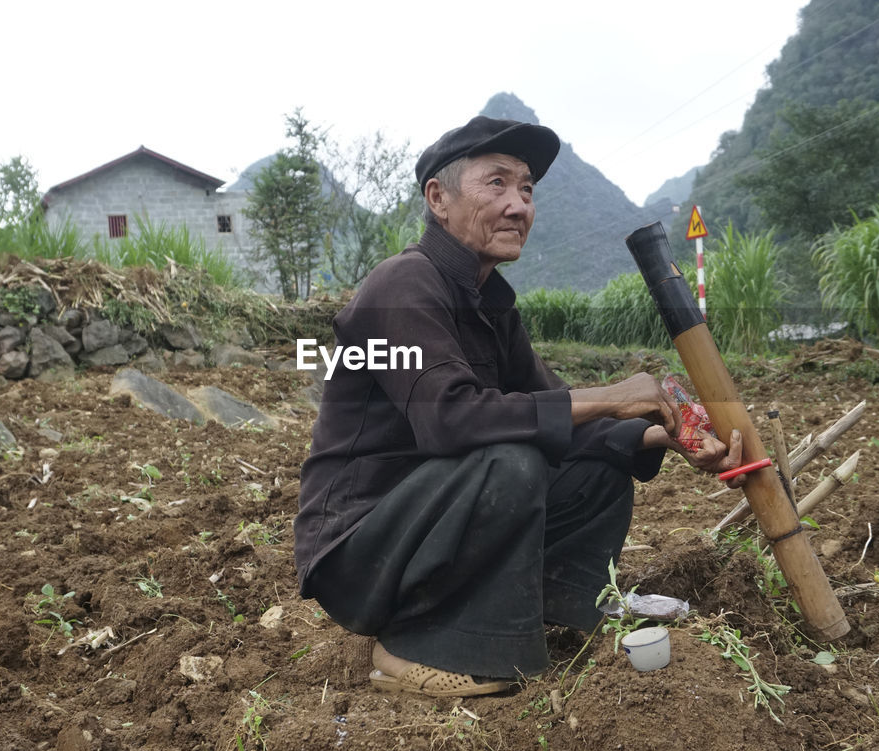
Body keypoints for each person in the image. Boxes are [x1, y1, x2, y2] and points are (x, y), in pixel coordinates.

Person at [293, 115, 744, 698]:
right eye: (496, 184)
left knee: (595, 470)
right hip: (361, 552)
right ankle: (412, 648)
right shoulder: (400, 288)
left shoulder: (491, 305)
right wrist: (611, 394)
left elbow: (555, 412)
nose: (518, 205)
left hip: (432, 518)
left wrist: (662, 436)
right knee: (511, 457)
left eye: (526, 189)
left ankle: (553, 610)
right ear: (439, 198)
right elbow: (450, 419)